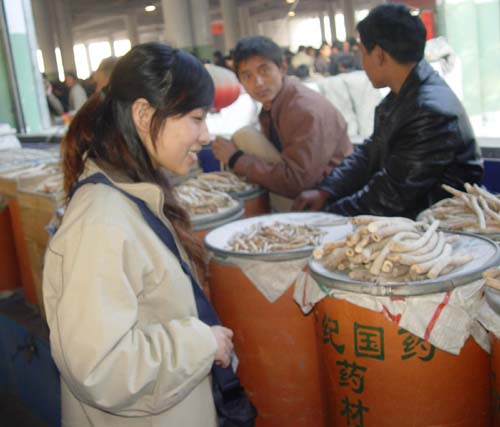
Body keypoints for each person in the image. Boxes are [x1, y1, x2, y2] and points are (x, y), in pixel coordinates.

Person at [43, 43, 237, 426]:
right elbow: (101, 368)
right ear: (144, 115)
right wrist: (202, 343)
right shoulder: (101, 222)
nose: (205, 135)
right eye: (196, 118)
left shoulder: (135, 194)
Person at [293, 4, 483, 219]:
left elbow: (390, 198)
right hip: (411, 218)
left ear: (379, 55)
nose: (362, 63)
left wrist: (323, 219)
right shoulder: (404, 94)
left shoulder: (429, 112)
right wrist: (327, 190)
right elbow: (369, 153)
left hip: (437, 228)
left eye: (362, 53)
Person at [212, 36, 352, 209]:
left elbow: (299, 182)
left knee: (245, 136)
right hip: (311, 188)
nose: (258, 83)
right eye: (247, 76)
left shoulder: (303, 109)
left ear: (282, 68)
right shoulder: (273, 103)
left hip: (329, 200)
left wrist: (236, 159)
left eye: (264, 71)